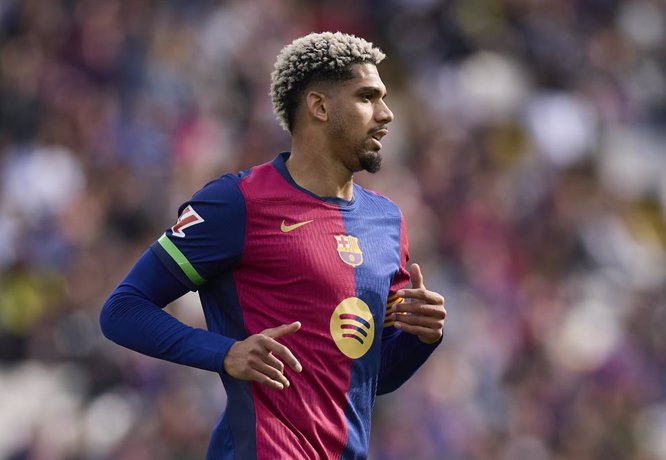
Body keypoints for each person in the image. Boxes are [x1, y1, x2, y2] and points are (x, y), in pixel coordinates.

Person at [100, 31, 446, 460]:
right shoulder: (237, 202)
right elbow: (122, 310)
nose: (386, 114)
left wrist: (421, 338)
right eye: (366, 97)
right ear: (319, 107)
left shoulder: (387, 222)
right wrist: (225, 353)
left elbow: (370, 376)